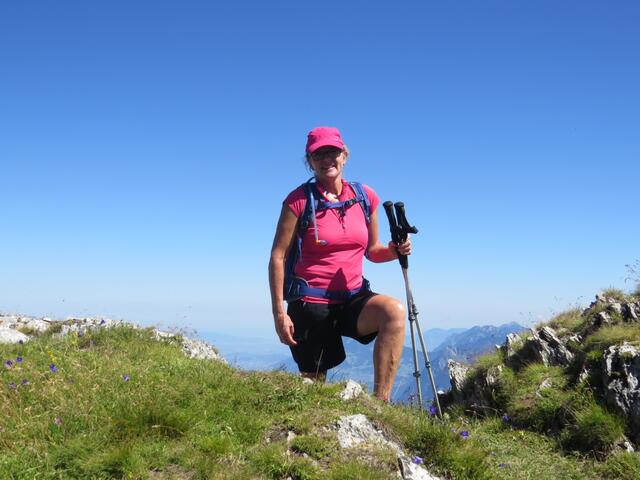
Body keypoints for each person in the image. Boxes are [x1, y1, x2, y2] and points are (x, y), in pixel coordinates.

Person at [268, 126, 410, 402]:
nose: (326, 159)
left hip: (352, 297)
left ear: (344, 155)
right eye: (318, 154)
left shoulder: (364, 196)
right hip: (311, 302)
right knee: (313, 389)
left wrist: (394, 251)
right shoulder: (298, 201)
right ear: (309, 161)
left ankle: (381, 404)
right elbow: (278, 256)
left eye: (332, 152)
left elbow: (372, 251)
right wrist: (279, 314)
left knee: (393, 312)